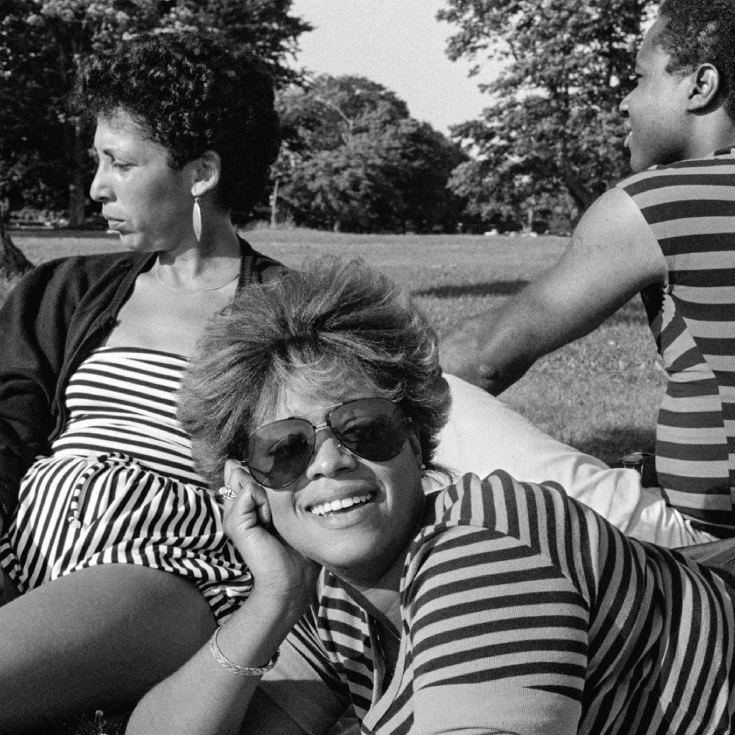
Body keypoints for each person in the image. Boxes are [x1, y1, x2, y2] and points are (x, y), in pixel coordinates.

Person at [128, 258, 735, 735]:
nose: (331, 461)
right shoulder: (335, 598)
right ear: (244, 483)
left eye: (363, 428)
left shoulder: (486, 548)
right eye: (285, 448)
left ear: (416, 438)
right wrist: (272, 601)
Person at [0, 33, 283, 730]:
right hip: (25, 541)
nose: (97, 186)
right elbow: (7, 427)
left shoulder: (290, 310)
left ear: (200, 172)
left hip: (164, 564)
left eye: (119, 162)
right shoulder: (62, 289)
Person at [439, 0, 735, 539]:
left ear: (701, 86)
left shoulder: (661, 202)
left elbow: (484, 361)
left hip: (709, 545)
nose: (625, 102)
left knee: (423, 396)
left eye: (641, 80)